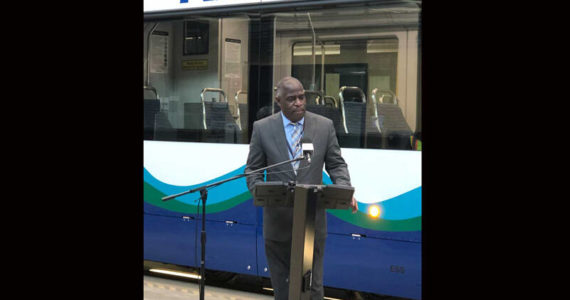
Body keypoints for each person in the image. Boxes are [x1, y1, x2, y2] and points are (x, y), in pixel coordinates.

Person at [245, 76, 357, 300]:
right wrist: (261, 191)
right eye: (291, 99)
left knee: (313, 289)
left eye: (302, 97)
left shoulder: (323, 126)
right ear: (279, 101)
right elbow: (253, 170)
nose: (299, 102)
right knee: (283, 290)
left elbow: (336, 164)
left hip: (312, 223)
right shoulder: (262, 128)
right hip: (278, 224)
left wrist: (344, 189)